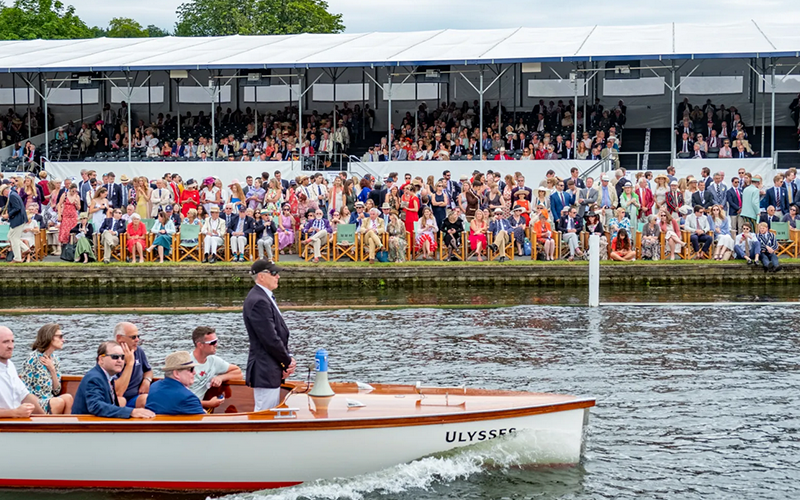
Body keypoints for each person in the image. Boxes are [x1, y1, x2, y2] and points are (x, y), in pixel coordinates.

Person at [243, 260, 295, 411]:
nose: (277, 276)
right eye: (273, 273)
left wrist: (286, 360)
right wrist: (287, 361)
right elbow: (270, 339)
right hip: (265, 368)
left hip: (270, 367)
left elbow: (276, 335)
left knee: (269, 410)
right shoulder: (259, 301)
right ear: (261, 277)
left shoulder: (264, 298)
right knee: (265, 412)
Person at [72, 341, 155, 419]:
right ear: (101, 359)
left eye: (123, 357)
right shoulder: (94, 378)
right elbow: (96, 406)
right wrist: (131, 412)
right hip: (86, 429)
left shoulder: (108, 377)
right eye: (115, 357)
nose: (120, 361)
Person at [18, 323, 73, 414]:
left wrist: (52, 369)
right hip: (36, 402)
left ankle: (67, 427)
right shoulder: (32, 359)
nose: (63, 340)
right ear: (50, 337)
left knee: (68, 398)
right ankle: (50, 427)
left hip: (50, 399)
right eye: (60, 337)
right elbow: (25, 389)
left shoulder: (55, 359)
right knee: (58, 402)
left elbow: (56, 391)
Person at [188, 326, 243, 411]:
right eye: (212, 342)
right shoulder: (186, 363)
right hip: (185, 408)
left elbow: (238, 372)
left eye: (216, 341)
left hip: (197, 408)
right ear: (200, 345)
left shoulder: (213, 360)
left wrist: (220, 378)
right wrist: (208, 404)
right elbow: (179, 400)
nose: (216, 344)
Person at [0, 326, 45, 418]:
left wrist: (46, 418)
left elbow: (25, 396)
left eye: (12, 341)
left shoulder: (10, 366)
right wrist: (14, 413)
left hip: (17, 424)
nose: (11, 346)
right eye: (5, 342)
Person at [144, 351, 204, 416]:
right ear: (176, 374)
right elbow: (204, 422)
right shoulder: (188, 398)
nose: (194, 372)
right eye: (191, 369)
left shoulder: (154, 386)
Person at [113, 322, 152, 410]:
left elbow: (148, 371)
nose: (137, 340)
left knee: (148, 399)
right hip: (115, 400)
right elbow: (118, 392)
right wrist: (129, 363)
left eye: (138, 336)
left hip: (136, 397)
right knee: (121, 401)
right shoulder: (111, 357)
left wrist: (147, 380)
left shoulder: (139, 352)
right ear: (119, 338)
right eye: (133, 337)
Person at [4, 183, 28, 263]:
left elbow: (17, 208)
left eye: (3, 193)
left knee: (14, 238)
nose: (3, 195)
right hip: (19, 219)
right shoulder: (14, 194)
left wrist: (8, 215)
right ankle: (25, 249)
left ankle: (17, 258)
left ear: (6, 191)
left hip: (18, 219)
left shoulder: (12, 196)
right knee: (10, 236)